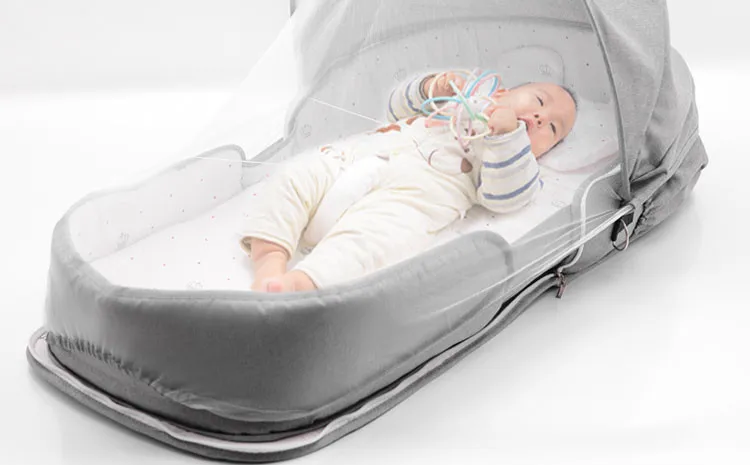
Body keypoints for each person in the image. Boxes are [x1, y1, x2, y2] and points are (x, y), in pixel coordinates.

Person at [239, 70, 578, 292]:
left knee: (377, 239)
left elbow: (507, 196)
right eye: (539, 101)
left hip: (411, 197)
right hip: (355, 161)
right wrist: (433, 86)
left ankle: (300, 285)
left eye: (552, 129)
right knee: (295, 177)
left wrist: (508, 135)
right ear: (500, 91)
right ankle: (269, 262)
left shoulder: (513, 159)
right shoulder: (453, 104)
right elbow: (396, 107)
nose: (540, 117)